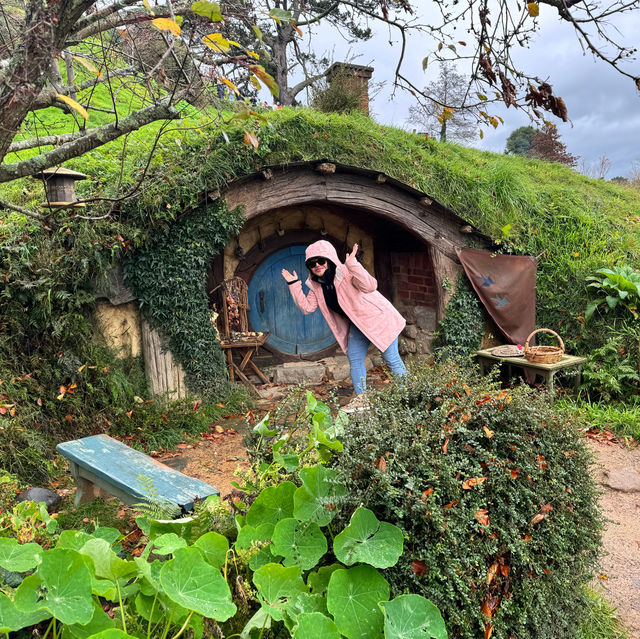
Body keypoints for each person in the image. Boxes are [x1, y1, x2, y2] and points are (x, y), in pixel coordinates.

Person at [281, 239, 406, 411]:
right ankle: (362, 398)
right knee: (355, 358)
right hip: (358, 326)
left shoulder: (346, 273)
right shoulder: (317, 286)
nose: (317, 265)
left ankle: (408, 393)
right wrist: (294, 284)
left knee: (391, 358)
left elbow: (370, 286)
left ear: (329, 259)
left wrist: (353, 265)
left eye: (320, 260)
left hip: (379, 320)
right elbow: (307, 308)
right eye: (312, 263)